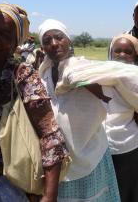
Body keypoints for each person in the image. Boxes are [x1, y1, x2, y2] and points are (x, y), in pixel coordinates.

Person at [0, 4, 68, 201]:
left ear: (14, 46)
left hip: (2, 186)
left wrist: (49, 195)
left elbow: (50, 136)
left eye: (4, 34)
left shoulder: (22, 76)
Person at [38, 19, 121, 201]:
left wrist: (87, 83)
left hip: (90, 152)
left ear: (69, 40)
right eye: (47, 41)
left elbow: (105, 94)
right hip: (57, 157)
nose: (53, 44)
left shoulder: (83, 68)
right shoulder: (43, 74)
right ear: (42, 47)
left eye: (59, 37)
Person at [105, 33, 138, 202]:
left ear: (136, 56)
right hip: (105, 145)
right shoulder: (100, 76)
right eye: (117, 51)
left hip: (134, 145)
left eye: (128, 52)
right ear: (110, 53)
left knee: (135, 192)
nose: (121, 55)